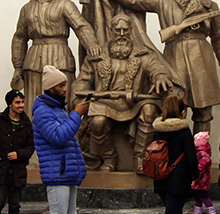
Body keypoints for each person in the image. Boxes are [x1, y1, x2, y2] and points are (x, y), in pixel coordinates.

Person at [103, 0, 220, 135]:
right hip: (175, 55)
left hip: (202, 58)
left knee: (204, 112)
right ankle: (177, 155)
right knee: (174, 107)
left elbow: (219, 36)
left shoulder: (209, 5)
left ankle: (200, 155)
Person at [72, 13, 174, 172]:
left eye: (125, 30)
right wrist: (78, 97)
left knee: (149, 110)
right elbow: (82, 81)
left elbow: (157, 68)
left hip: (134, 102)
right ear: (110, 30)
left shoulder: (143, 53)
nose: (121, 34)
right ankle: (109, 157)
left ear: (131, 30)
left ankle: (141, 157)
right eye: (117, 30)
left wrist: (160, 76)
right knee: (97, 121)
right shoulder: (97, 55)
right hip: (104, 102)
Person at [12, 0, 102, 115]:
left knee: (64, 101)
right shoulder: (27, 9)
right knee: (34, 104)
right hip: (35, 60)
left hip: (60, 57)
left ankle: (66, 134)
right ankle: (34, 136)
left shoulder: (65, 4)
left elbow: (81, 26)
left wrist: (91, 44)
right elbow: (19, 38)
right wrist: (18, 65)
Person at [32, 64, 91, 214]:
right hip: (56, 172)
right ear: (50, 88)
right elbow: (58, 137)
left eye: (65, 84)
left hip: (66, 170)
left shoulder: (56, 108)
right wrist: (76, 114)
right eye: (61, 85)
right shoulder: (43, 111)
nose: (65, 88)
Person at [152, 96, 199, 214]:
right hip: (178, 180)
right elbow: (191, 157)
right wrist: (195, 175)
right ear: (182, 112)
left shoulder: (158, 130)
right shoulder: (183, 131)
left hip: (161, 178)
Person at [187, 131, 218, 214]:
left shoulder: (203, 154)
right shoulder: (199, 152)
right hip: (200, 180)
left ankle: (212, 212)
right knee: (197, 196)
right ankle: (197, 213)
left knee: (203, 196)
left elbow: (201, 168)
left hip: (201, 180)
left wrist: (194, 178)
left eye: (195, 140)